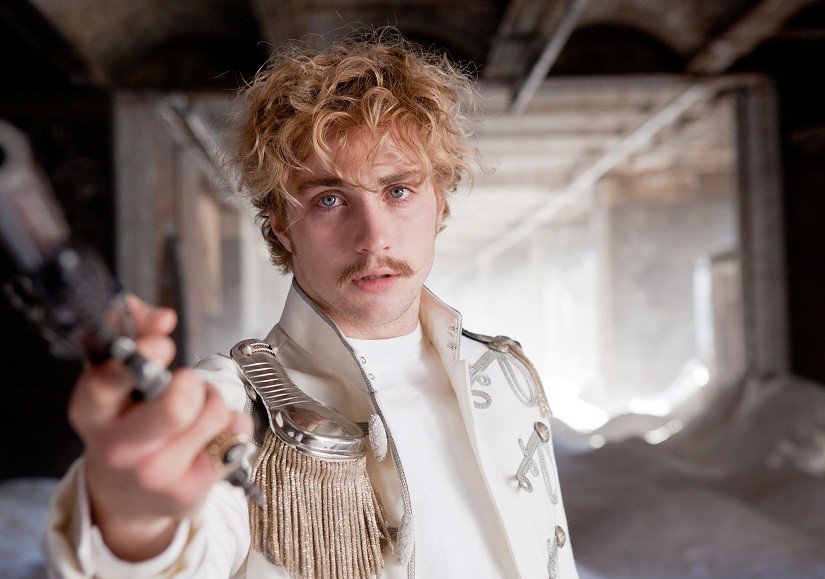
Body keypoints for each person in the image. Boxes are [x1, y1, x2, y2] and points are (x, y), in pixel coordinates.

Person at [44, 29, 578, 578]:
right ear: (282, 225)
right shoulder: (233, 405)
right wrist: (133, 520)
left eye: (397, 191)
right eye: (329, 199)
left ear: (438, 202)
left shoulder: (506, 375)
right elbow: (171, 551)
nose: (374, 239)